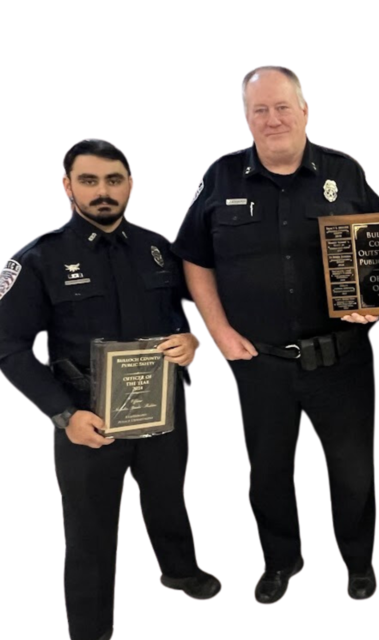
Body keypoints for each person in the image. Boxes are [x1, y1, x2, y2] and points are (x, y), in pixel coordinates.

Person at [172, 66, 379, 604]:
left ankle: (358, 562)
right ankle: (281, 560)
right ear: (247, 117)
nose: (272, 119)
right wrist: (217, 331)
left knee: (354, 473)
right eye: (259, 110)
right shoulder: (221, 177)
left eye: (282, 107)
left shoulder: (345, 172)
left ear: (304, 110)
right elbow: (194, 259)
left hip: (342, 361)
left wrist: (377, 307)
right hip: (260, 364)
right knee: (267, 475)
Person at [0, 139, 219, 640]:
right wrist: (63, 415)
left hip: (161, 409)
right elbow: (7, 347)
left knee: (167, 496)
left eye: (114, 180)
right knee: (89, 531)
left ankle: (179, 569)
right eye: (90, 180)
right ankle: (92, 629)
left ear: (130, 184)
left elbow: (184, 311)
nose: (103, 192)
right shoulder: (41, 259)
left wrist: (189, 341)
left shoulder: (157, 249)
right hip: (87, 419)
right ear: (67, 186)